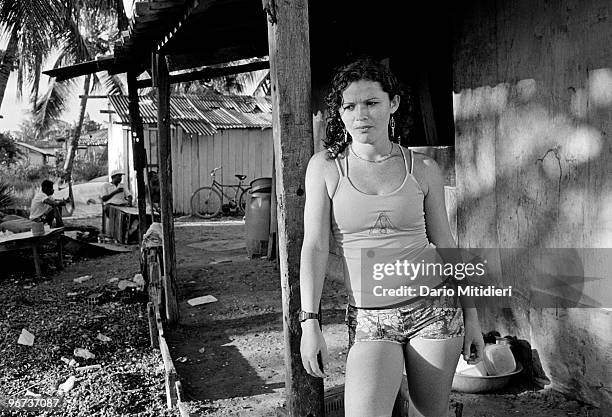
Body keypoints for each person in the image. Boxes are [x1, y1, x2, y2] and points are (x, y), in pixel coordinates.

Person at [299, 58, 485, 417]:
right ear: (339, 111)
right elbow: (315, 246)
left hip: (435, 312)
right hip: (372, 319)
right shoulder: (325, 167)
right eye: (349, 106)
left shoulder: (424, 169)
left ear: (393, 104)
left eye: (371, 103)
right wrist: (310, 322)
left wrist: (473, 316)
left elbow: (446, 243)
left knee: (429, 413)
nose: (360, 115)